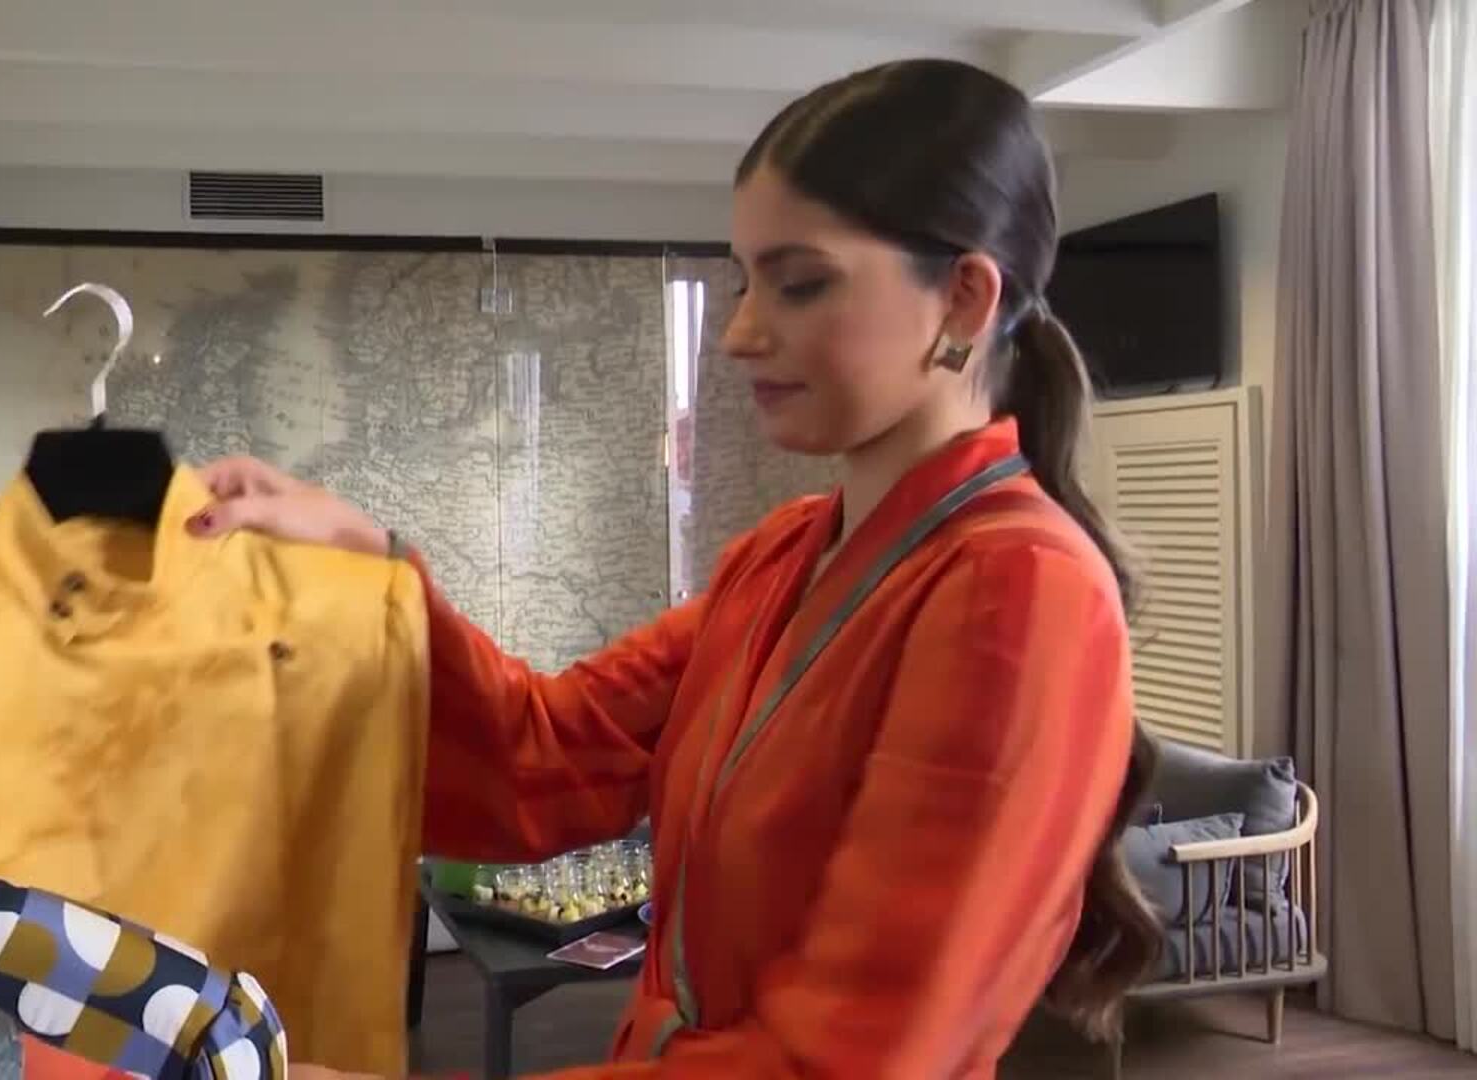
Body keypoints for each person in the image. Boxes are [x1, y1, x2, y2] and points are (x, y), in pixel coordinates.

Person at [194, 57, 1162, 1080]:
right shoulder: (785, 553)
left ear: (964, 298)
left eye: (800, 283)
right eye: (746, 282)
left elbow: (845, 1062)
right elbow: (546, 755)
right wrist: (374, 568)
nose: (740, 333)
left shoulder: (1020, 591)